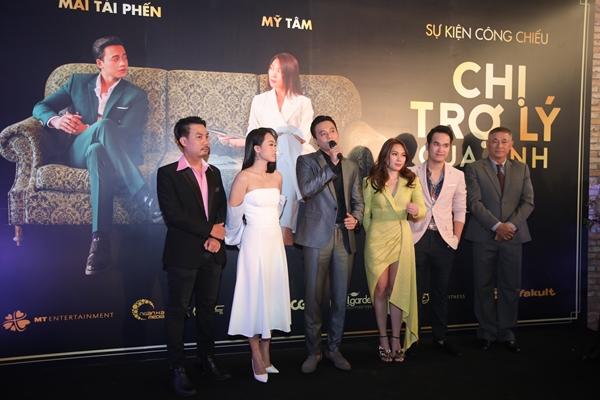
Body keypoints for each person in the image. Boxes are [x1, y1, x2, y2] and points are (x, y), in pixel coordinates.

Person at [32, 35, 160, 276]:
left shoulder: (135, 95)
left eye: (125, 57)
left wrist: (90, 128)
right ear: (100, 63)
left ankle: (99, 243)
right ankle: (143, 196)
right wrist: (57, 120)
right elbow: (40, 107)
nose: (123, 63)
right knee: (100, 132)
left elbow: (128, 133)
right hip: (76, 151)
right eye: (116, 58)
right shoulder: (77, 83)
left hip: (113, 153)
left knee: (97, 149)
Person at [157, 117, 230, 397]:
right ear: (182, 141)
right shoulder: (167, 174)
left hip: (212, 254)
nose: (206, 141)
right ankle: (177, 367)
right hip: (182, 255)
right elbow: (173, 215)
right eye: (199, 136)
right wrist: (208, 231)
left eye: (207, 136)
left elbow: (220, 209)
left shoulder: (214, 172)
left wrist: (215, 237)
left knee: (208, 310)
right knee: (178, 312)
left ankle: (206, 358)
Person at [220, 53, 314, 245]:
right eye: (271, 68)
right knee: (281, 143)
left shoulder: (303, 102)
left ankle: (282, 227)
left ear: (289, 73)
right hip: (266, 154)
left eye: (279, 70)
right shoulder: (259, 100)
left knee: (285, 141)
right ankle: (285, 228)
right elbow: (252, 133)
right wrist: (235, 142)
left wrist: (279, 134)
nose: (273, 73)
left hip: (296, 152)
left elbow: (304, 136)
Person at [295, 115, 364, 373]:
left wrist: (356, 218)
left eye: (331, 130)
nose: (328, 136)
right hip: (316, 238)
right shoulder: (306, 161)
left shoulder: (352, 166)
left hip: (343, 238)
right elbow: (306, 190)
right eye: (322, 133)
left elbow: (358, 201)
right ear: (316, 140)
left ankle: (334, 348)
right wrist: (331, 166)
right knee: (314, 298)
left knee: (340, 298)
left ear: (337, 133)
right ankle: (314, 351)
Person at [225, 127, 291, 383]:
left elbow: (277, 213)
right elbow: (233, 219)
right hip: (253, 242)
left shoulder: (278, 177)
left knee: (271, 295)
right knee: (253, 296)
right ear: (257, 148)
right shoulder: (243, 178)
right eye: (271, 144)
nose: (275, 149)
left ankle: (267, 352)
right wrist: (240, 239)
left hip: (274, 243)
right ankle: (255, 355)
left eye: (275, 144)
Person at [464, 126, 534, 353]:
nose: (499, 145)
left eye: (504, 141)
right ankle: (486, 332)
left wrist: (509, 226)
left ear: (511, 144)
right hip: (483, 236)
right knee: (482, 285)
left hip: (513, 237)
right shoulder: (474, 168)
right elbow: (474, 203)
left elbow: (528, 202)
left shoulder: (522, 169)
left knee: (510, 286)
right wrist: (496, 226)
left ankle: (506, 332)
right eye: (495, 140)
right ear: (487, 144)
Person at [363, 138, 425, 363]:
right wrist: (372, 238)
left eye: (403, 155)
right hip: (377, 239)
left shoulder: (411, 180)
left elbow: (422, 209)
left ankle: (396, 339)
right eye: (394, 154)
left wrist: (416, 210)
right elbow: (366, 215)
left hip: (401, 236)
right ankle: (383, 339)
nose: (399, 159)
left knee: (397, 289)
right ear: (385, 155)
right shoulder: (371, 181)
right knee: (380, 289)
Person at [408, 126, 466, 356]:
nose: (440, 149)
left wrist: (455, 239)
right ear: (428, 146)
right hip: (417, 238)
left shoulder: (457, 176)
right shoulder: (410, 173)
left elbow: (460, 210)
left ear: (449, 148)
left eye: (445, 145)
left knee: (441, 292)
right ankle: (412, 338)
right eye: (436, 144)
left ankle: (440, 337)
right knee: (414, 292)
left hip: (444, 241)